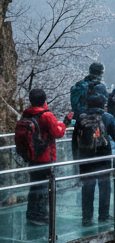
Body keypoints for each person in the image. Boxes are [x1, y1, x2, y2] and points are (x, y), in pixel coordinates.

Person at [72, 92, 115, 225]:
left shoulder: (81, 118)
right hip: (103, 156)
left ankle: (87, 218)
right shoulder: (107, 117)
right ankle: (103, 216)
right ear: (102, 105)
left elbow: (75, 140)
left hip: (85, 157)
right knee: (105, 186)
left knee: (87, 186)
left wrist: (76, 159)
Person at [18, 88, 73, 227]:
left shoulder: (27, 114)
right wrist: (65, 123)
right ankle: (41, 216)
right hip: (45, 156)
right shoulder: (47, 115)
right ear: (44, 100)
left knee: (34, 185)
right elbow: (57, 132)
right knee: (44, 187)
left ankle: (31, 213)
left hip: (32, 156)